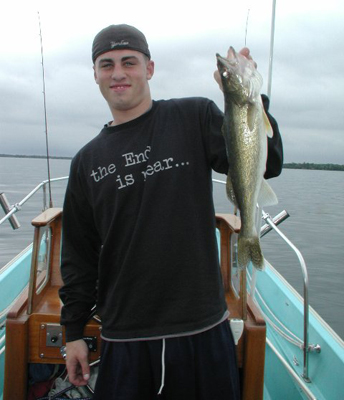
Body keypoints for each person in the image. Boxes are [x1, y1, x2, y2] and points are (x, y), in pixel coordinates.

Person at [59, 24, 283, 400]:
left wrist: (248, 98)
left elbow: (268, 164)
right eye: (106, 64)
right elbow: (79, 256)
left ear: (149, 68)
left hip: (202, 327)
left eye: (129, 62)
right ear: (96, 75)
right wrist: (73, 334)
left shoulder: (193, 116)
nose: (118, 73)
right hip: (124, 333)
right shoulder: (86, 162)